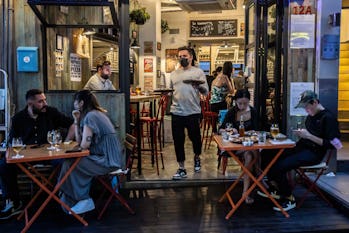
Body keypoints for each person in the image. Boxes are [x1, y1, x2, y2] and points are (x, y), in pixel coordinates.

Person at [258, 90, 341, 212]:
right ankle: (275, 188)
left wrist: (308, 136)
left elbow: (335, 145)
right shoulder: (311, 116)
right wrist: (302, 134)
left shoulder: (328, 118)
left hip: (314, 153)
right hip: (301, 147)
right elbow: (309, 134)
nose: (306, 110)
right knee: (267, 153)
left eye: (307, 106)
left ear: (315, 102)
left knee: (281, 165)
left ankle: (289, 198)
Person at [0, 89, 75, 220]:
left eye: (44, 100)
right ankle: (14, 202)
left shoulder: (51, 112)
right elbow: (13, 142)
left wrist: (66, 143)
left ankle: (66, 197)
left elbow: (72, 124)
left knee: (66, 163)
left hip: (50, 155)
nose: (45, 103)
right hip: (27, 158)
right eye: (40, 101)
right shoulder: (18, 118)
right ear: (30, 103)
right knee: (3, 165)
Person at [58, 90, 125, 214]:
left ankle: (80, 199)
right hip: (108, 157)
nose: (74, 104)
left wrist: (78, 124)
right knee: (70, 163)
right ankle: (74, 199)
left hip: (108, 161)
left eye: (75, 101)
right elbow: (81, 142)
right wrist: (77, 121)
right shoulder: (95, 114)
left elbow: (84, 145)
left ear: (81, 103)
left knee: (71, 164)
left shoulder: (91, 117)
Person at [169, 46, 209, 180]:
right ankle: (181, 168)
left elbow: (206, 92)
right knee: (178, 141)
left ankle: (197, 157)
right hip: (176, 112)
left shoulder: (198, 72)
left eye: (184, 56)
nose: (182, 58)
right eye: (180, 56)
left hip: (193, 112)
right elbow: (170, 91)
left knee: (196, 139)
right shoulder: (174, 74)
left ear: (191, 57)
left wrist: (199, 86)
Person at [219, 89, 258, 204]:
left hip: (250, 145)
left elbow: (260, 130)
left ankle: (245, 192)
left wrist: (253, 133)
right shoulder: (232, 112)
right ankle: (259, 179)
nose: (242, 106)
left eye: (245, 103)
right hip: (235, 146)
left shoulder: (253, 112)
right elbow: (220, 129)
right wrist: (229, 130)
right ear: (235, 101)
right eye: (239, 103)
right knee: (254, 154)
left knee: (250, 155)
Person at [209, 62, 235, 132]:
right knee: (231, 111)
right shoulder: (225, 77)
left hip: (212, 104)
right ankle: (224, 129)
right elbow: (232, 91)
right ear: (230, 69)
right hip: (218, 104)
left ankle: (216, 129)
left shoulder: (218, 76)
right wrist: (231, 79)